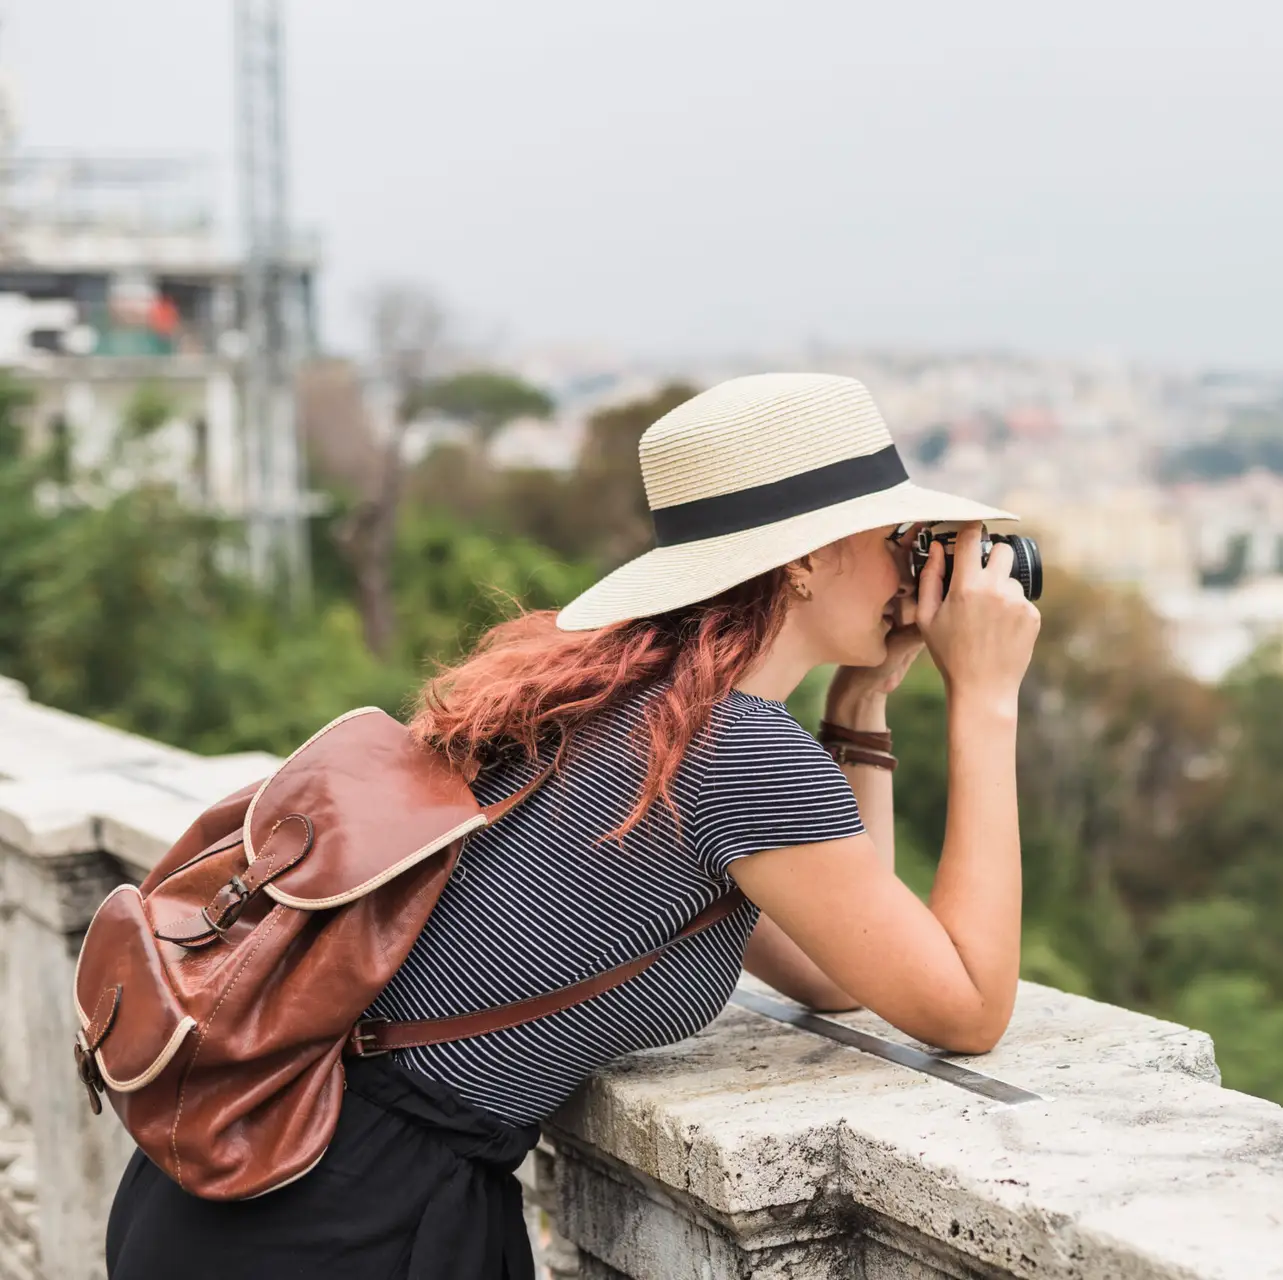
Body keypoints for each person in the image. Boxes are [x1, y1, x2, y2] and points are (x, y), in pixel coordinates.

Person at [104, 372, 1042, 1278]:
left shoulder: (632, 701)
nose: (916, 568)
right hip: (350, 1215)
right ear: (804, 557)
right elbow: (965, 1006)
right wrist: (985, 702)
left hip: (263, 1178)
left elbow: (848, 967)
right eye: (897, 538)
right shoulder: (731, 748)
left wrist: (865, 706)